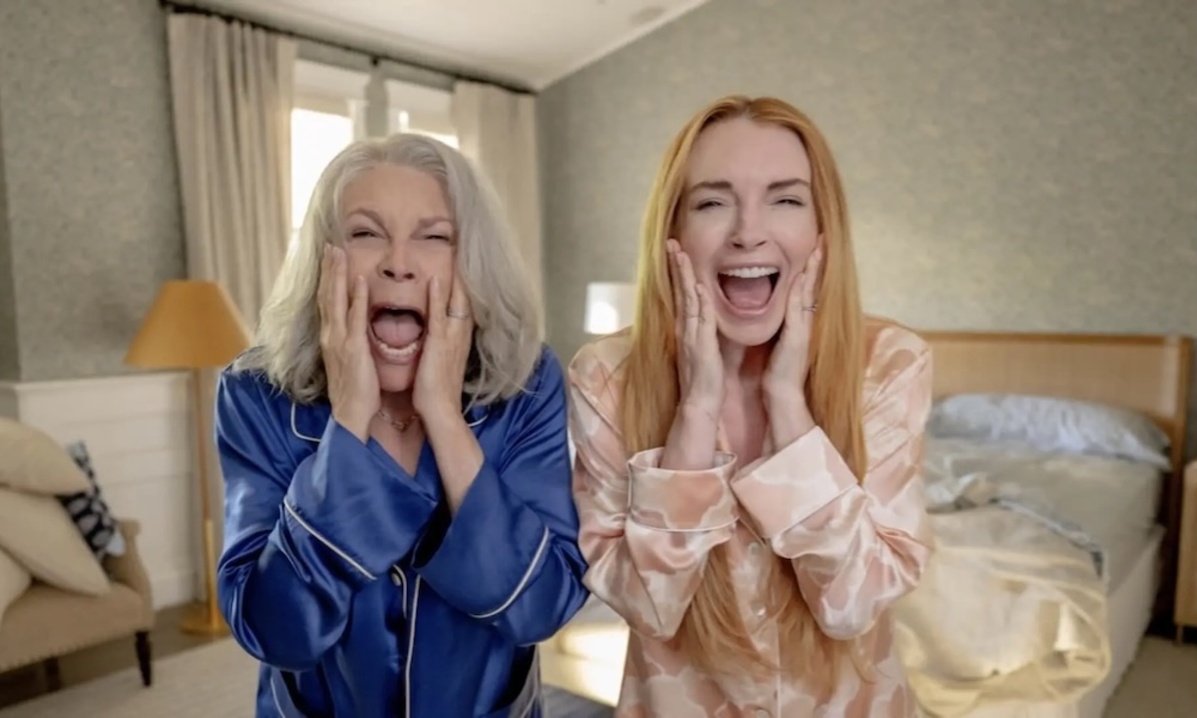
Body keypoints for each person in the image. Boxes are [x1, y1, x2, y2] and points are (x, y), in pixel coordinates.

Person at [567, 95, 934, 717]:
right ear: (673, 233)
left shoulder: (890, 364)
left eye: (785, 200)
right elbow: (649, 606)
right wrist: (695, 411)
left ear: (823, 231)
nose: (748, 232)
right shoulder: (605, 378)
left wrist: (788, 406)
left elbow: (854, 604)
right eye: (712, 203)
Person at [213, 132, 590, 717]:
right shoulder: (253, 392)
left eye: (434, 237)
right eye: (365, 234)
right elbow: (275, 632)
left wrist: (443, 415)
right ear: (324, 260)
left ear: (471, 263)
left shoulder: (529, 379)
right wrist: (349, 419)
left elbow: (541, 607)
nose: (398, 263)